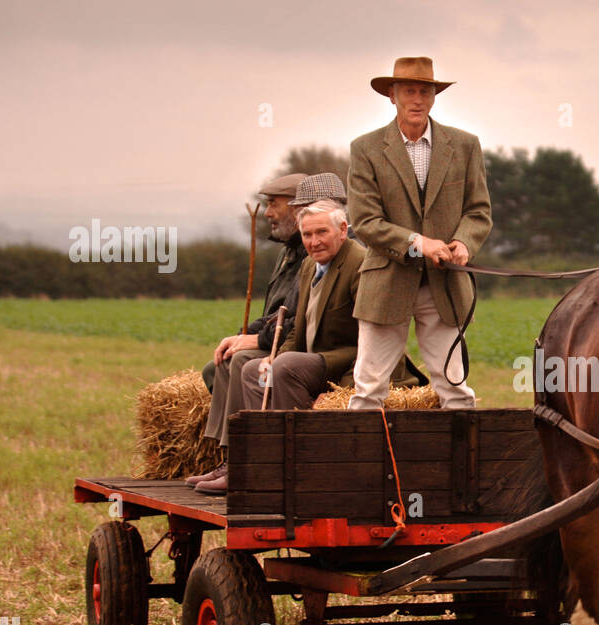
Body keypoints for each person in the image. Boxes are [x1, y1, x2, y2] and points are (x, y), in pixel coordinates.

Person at [194, 200, 420, 495]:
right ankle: (258, 463)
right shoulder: (309, 265)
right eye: (307, 235)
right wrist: (273, 357)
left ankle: (301, 466)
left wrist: (347, 390)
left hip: (353, 360)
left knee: (285, 369)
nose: (314, 242)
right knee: (253, 370)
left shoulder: (361, 265)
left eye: (321, 232)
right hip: (318, 358)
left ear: (342, 230)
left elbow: (376, 337)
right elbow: (299, 328)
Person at [346, 56, 491, 411]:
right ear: (392, 95)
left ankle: (461, 467)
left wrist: (462, 244)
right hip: (387, 283)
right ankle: (361, 465)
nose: (417, 99)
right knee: (368, 392)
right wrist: (417, 244)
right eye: (408, 91)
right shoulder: (365, 149)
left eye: (424, 91)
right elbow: (365, 221)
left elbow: (478, 211)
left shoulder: (465, 145)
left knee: (456, 392)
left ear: (434, 96)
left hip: (444, 286)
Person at [188, 173, 307, 489]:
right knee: (222, 363)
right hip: (281, 340)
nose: (267, 213)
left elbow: (301, 320)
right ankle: (229, 457)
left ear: (297, 208)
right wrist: (240, 334)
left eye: (273, 204)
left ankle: (243, 462)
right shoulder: (288, 253)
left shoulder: (313, 252)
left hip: (302, 347)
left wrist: (259, 340)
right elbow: (273, 313)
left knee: (242, 363)